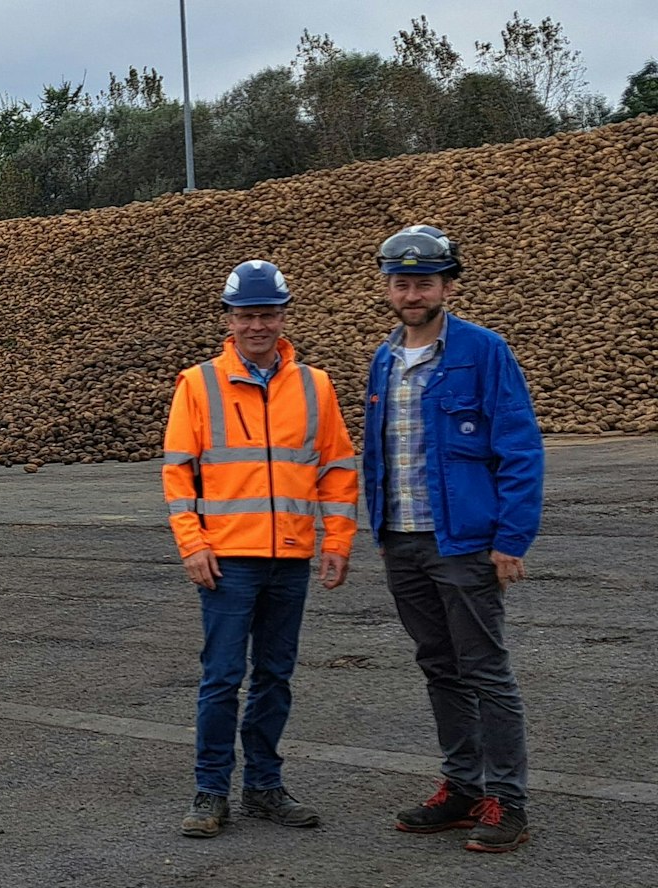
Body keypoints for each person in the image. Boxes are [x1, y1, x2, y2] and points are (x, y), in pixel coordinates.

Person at [363, 225, 545, 854]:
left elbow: (519, 447)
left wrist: (511, 538)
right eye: (402, 282)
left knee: (486, 671)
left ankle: (508, 800)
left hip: (464, 541)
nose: (412, 293)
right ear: (388, 287)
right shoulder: (384, 360)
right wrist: (380, 526)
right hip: (404, 541)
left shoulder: (482, 351)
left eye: (424, 282)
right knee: (439, 667)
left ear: (447, 285)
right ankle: (463, 788)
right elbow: (380, 453)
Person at [163, 260, 358, 838]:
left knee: (275, 675)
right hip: (227, 561)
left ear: (282, 317)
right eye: (246, 315)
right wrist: (191, 545)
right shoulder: (198, 385)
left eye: (267, 314)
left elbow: (338, 469)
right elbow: (179, 474)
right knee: (222, 677)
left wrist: (338, 541)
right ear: (229, 319)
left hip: (291, 558)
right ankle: (210, 791)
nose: (257, 325)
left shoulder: (315, 386)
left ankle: (265, 788)